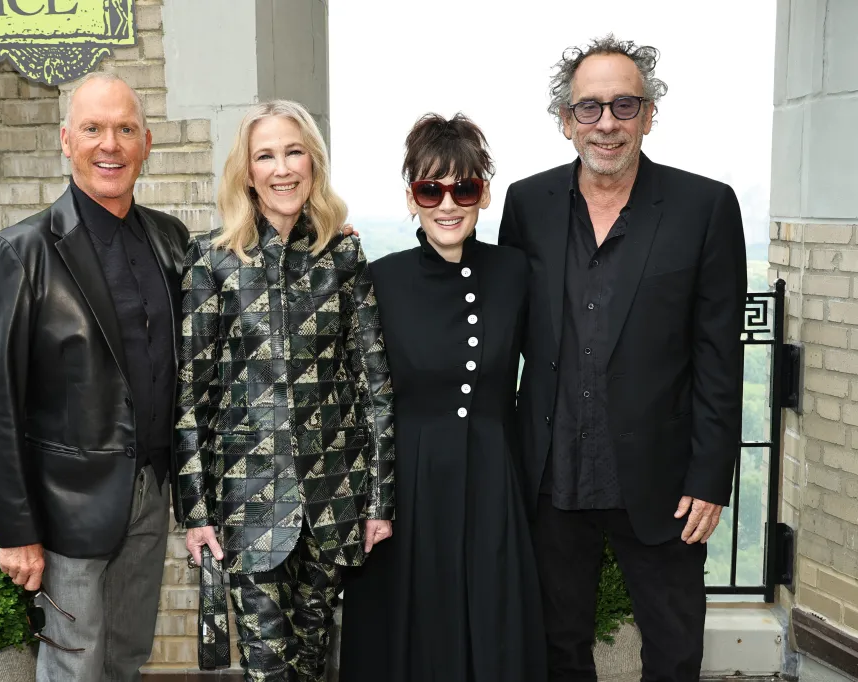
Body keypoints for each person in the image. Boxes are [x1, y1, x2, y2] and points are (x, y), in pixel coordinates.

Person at [499, 35, 747, 682]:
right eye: (589, 107)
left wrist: (709, 477)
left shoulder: (705, 206)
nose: (606, 122)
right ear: (566, 120)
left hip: (664, 481)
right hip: (552, 476)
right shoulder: (527, 205)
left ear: (649, 115)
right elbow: (501, 321)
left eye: (624, 105)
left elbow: (719, 356)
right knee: (558, 651)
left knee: (674, 652)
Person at [0, 72, 189, 682]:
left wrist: (315, 237)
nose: (109, 144)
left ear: (146, 143)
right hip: (66, 506)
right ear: (67, 140)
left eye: (125, 129)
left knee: (126, 658)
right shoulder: (21, 252)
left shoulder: (172, 240)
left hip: (150, 491)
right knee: (74, 666)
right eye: (93, 129)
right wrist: (16, 531)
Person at [175, 99, 395, 681]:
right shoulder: (212, 261)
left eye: (294, 152)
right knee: (267, 668)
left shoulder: (343, 255)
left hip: (333, 497)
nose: (282, 168)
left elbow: (373, 384)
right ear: (247, 173)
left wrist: (379, 501)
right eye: (265, 156)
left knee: (314, 664)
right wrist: (196, 512)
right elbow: (192, 397)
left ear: (313, 162)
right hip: (245, 504)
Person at [339, 113, 546, 682]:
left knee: (493, 626)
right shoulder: (379, 279)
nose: (448, 204)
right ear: (412, 198)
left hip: (494, 481)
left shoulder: (516, 272)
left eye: (465, 188)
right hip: (408, 485)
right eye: (431, 189)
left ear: (484, 194)